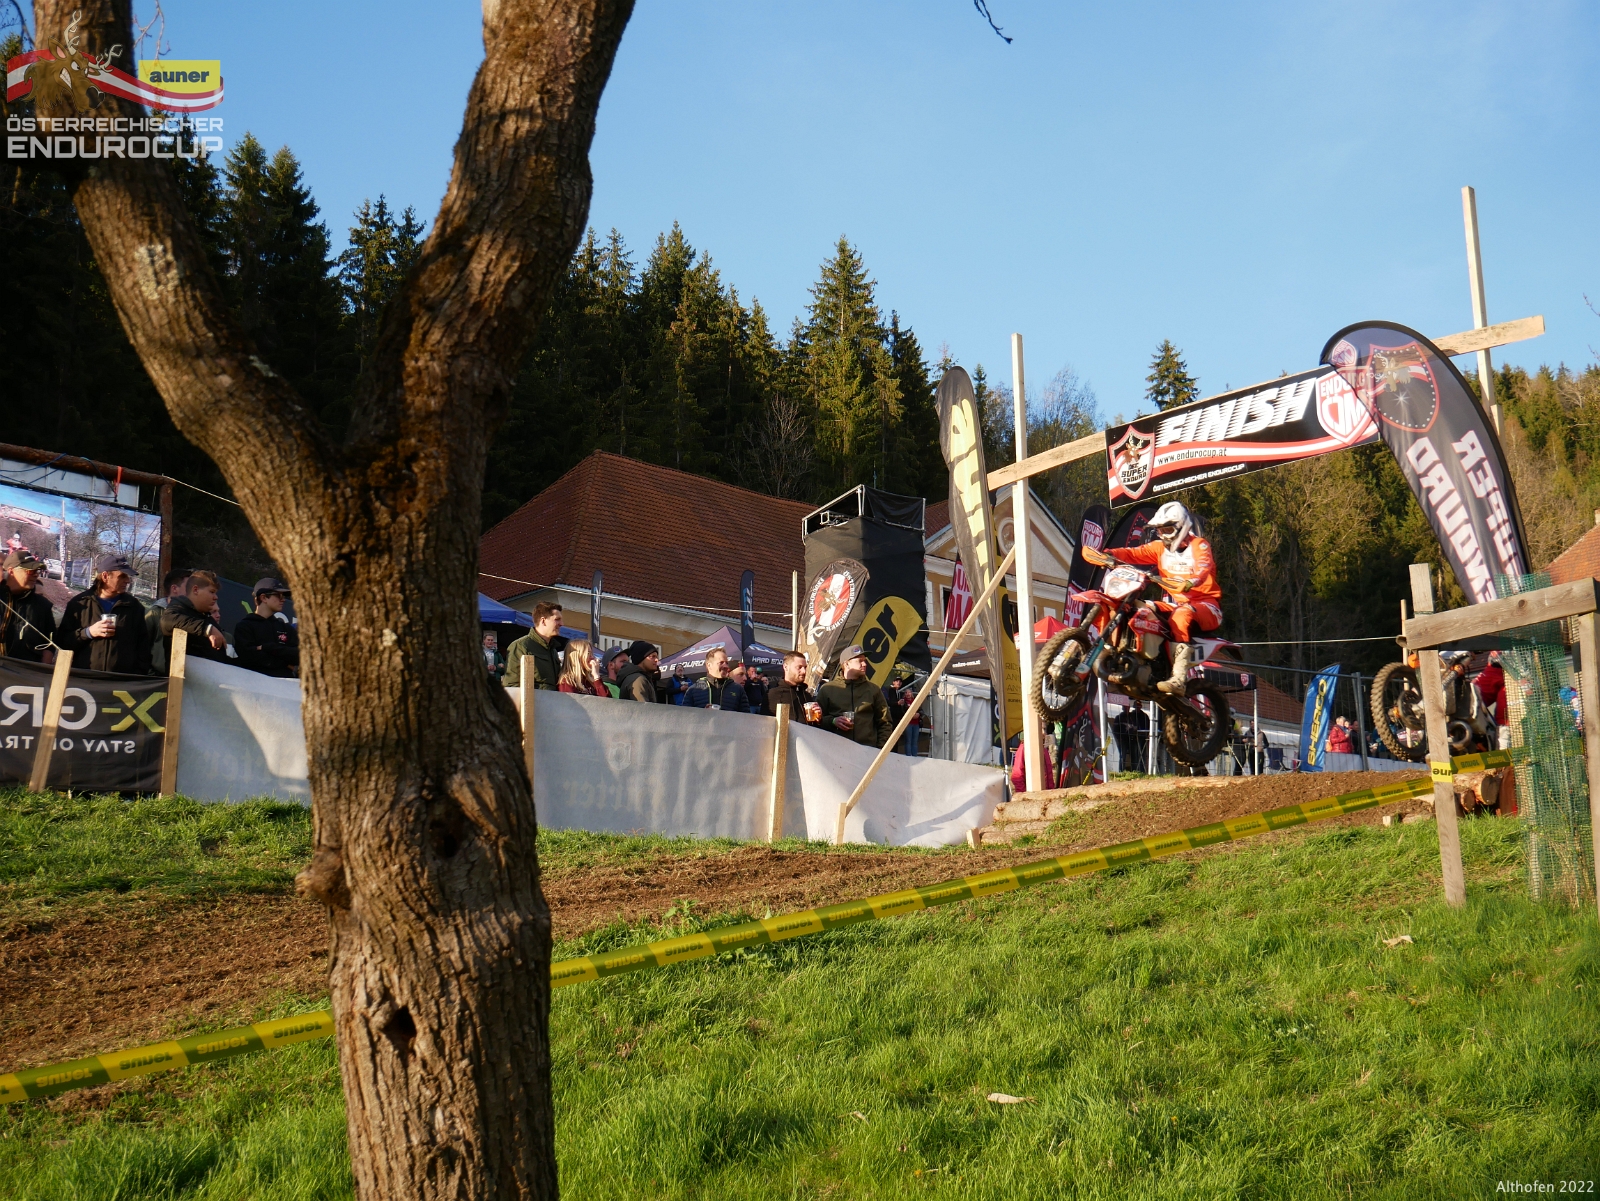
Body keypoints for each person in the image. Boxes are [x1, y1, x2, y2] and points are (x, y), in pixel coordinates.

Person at [1082, 500, 1222, 695]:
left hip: (1207, 606)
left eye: (1167, 529)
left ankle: (1178, 678)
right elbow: (1133, 553)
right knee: (1139, 608)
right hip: (1177, 604)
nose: (1162, 535)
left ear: (1181, 527)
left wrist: (1191, 582)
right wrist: (1106, 554)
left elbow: (1204, 566)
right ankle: (1131, 657)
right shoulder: (1159, 548)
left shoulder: (1199, 545)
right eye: (1160, 530)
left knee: (1182, 615)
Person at [61, 553, 151, 673]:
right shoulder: (79, 604)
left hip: (121, 680)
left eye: (128, 576)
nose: (127, 581)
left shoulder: (134, 607)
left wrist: (136, 676)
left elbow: (143, 647)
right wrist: (88, 633)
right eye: (122, 576)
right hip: (84, 678)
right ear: (105, 576)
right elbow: (62, 643)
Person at [818, 643, 892, 749]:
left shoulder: (873, 690)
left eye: (865, 660)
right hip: (835, 751)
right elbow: (817, 721)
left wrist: (879, 749)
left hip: (866, 751)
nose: (865, 664)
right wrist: (833, 721)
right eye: (860, 661)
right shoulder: (828, 689)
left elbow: (885, 722)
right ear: (846, 664)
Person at [160, 569, 231, 665]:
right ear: (195, 590)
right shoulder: (178, 609)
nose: (216, 597)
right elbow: (167, 620)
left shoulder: (207, 618)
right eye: (212, 592)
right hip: (183, 674)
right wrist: (207, 629)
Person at [234, 577, 299, 678]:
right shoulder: (244, 626)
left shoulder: (286, 628)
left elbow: (299, 656)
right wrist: (285, 662)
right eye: (278, 595)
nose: (283, 599)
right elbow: (248, 658)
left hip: (285, 685)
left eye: (283, 596)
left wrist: (268, 648)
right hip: (255, 683)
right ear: (263, 598)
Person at [1, 549, 56, 663]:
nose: (36, 575)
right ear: (11, 571)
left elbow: (50, 644)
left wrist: (42, 669)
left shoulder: (43, 606)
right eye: (31, 571)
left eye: (38, 571)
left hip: (26, 672)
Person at [505, 602, 565, 690]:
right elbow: (512, 686)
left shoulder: (553, 651)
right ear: (543, 621)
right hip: (532, 699)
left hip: (552, 699)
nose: (561, 623)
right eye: (557, 619)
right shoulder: (521, 646)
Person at [144, 567, 192, 674]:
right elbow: (141, 647)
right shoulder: (155, 614)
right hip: (157, 678)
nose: (192, 591)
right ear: (174, 589)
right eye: (188, 587)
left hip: (187, 678)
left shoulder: (193, 616)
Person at [685, 646, 750, 712]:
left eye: (727, 663)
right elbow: (685, 715)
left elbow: (745, 715)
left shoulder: (738, 689)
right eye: (721, 662)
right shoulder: (693, 690)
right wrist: (703, 713)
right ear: (709, 665)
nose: (726, 666)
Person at [765, 651, 820, 723]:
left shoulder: (807, 696)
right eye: (799, 667)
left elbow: (813, 725)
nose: (804, 671)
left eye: (805, 667)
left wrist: (818, 719)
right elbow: (764, 725)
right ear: (786, 667)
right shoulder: (772, 695)